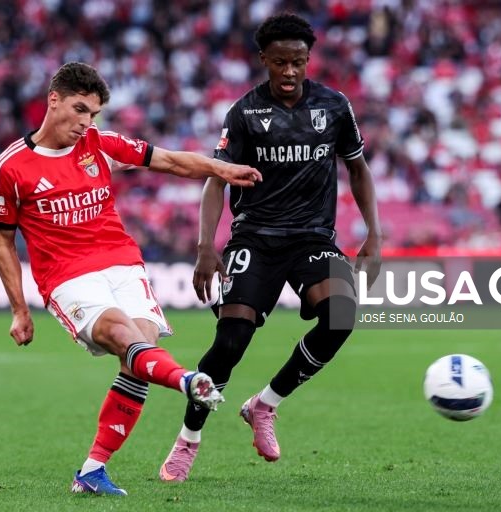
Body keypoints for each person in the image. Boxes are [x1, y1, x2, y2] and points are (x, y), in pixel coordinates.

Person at [0, 62, 262, 496]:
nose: (86, 122)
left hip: (122, 262)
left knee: (140, 354)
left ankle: (92, 471)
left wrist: (222, 169)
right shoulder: (10, 167)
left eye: (93, 114)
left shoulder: (100, 144)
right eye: (80, 109)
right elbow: (2, 240)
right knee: (122, 335)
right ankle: (188, 381)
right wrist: (20, 309)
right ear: (53, 100)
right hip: (67, 276)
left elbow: (169, 160)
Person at [159, 13, 382, 482]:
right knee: (230, 343)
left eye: (298, 61)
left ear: (308, 59)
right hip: (255, 238)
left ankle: (265, 405)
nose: (289, 71)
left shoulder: (334, 106)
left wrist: (374, 234)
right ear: (264, 59)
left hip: (313, 238)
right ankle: (188, 438)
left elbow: (358, 168)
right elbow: (216, 180)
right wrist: (206, 245)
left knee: (342, 315)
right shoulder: (244, 113)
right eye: (280, 62)